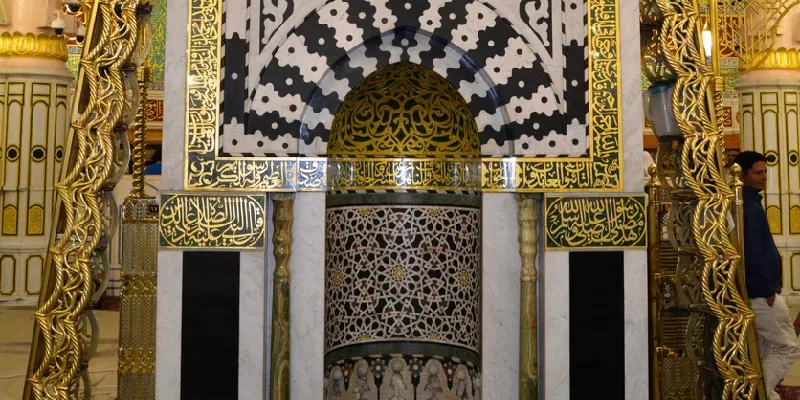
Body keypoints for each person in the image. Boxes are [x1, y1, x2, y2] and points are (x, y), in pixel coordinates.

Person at [735, 150, 800, 399]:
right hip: (763, 293)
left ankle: (763, 392)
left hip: (763, 291)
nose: (764, 177)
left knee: (761, 349)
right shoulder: (748, 207)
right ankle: (759, 393)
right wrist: (767, 291)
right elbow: (753, 254)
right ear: (742, 175)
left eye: (765, 172)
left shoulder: (750, 202)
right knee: (787, 347)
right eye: (757, 172)